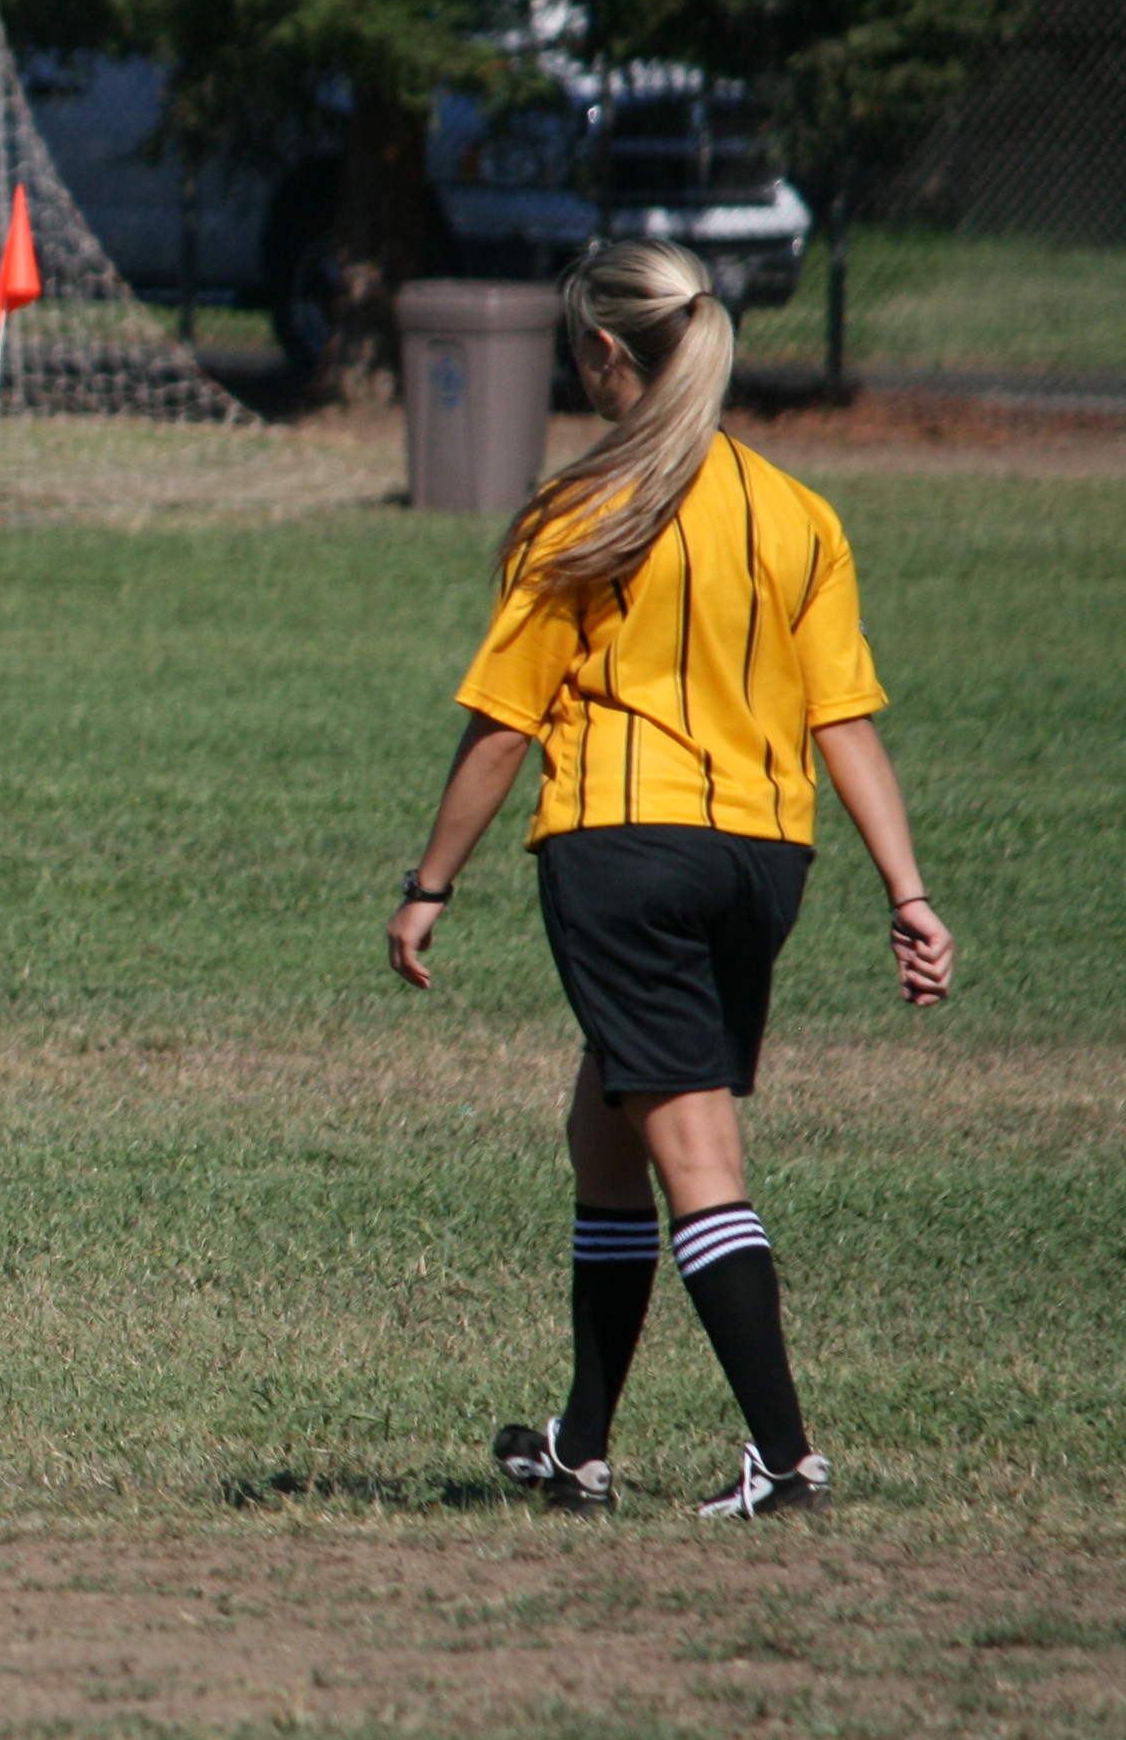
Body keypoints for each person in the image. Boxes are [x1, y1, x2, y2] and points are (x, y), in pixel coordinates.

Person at [387, 240, 951, 1521]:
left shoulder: (583, 511)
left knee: (693, 1151)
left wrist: (430, 884)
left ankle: (786, 1460)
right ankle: (579, 1446)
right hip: (762, 862)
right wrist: (908, 894)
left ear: (604, 353)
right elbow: (845, 720)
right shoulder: (797, 513)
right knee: (609, 1123)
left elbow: (503, 727)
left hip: (622, 852)